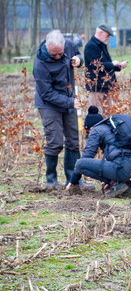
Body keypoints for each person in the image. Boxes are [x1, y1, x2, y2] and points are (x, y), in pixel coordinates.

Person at [33, 29, 83, 188]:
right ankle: (51, 180)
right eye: (54, 54)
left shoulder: (68, 45)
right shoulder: (40, 64)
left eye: (60, 53)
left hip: (68, 99)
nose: (58, 57)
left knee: (74, 141)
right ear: (47, 48)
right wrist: (70, 102)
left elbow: (80, 55)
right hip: (49, 104)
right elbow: (47, 93)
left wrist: (78, 59)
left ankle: (73, 180)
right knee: (55, 142)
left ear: (64, 46)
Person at [66, 107, 131, 198]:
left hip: (122, 168)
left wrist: (73, 181)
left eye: (88, 132)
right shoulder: (116, 130)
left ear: (90, 127)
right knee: (118, 165)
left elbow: (87, 155)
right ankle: (126, 187)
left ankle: (116, 184)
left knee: (80, 164)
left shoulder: (96, 130)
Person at [84, 24, 128, 111]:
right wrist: (112, 64)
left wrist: (119, 66)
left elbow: (105, 65)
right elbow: (95, 66)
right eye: (107, 35)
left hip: (106, 87)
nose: (108, 38)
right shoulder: (91, 46)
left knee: (108, 115)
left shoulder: (101, 45)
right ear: (100, 32)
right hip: (97, 87)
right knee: (94, 116)